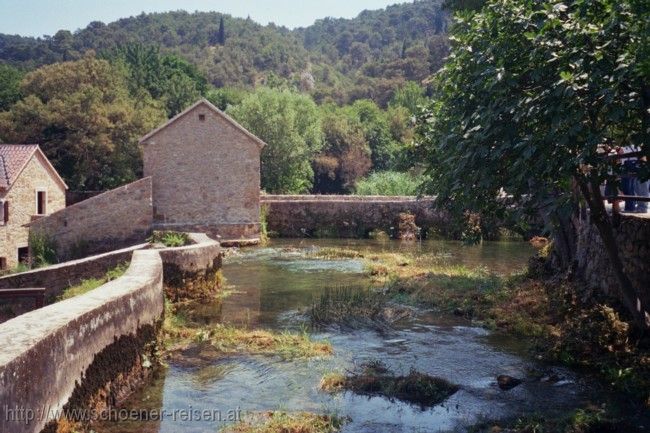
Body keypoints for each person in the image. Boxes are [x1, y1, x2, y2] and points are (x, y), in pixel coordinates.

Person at [620, 145, 638, 212]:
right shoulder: (636, 146)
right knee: (630, 188)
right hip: (632, 168)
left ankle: (630, 207)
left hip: (627, 168)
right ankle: (630, 206)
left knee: (628, 188)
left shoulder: (626, 147)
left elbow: (620, 153)